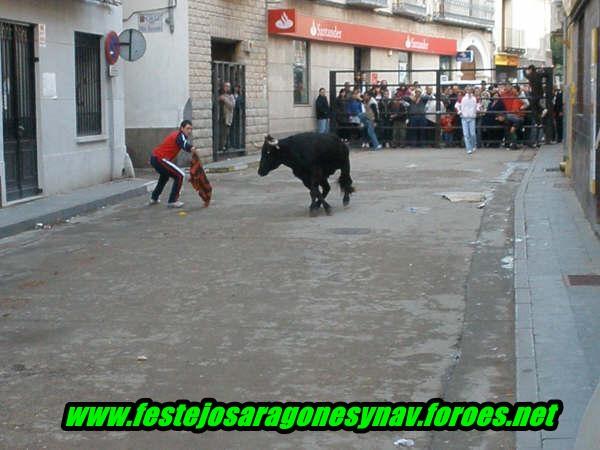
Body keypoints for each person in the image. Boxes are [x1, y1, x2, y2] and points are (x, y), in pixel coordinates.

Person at [149, 120, 196, 208]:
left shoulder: (178, 135)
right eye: (187, 128)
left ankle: (154, 198)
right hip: (160, 158)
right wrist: (191, 148)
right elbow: (183, 144)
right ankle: (173, 201)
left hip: (155, 158)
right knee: (180, 175)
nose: (189, 131)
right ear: (182, 128)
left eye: (191, 129)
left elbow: (183, 143)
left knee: (164, 177)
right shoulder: (180, 135)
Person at [455, 86, 480, 154]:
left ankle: (473, 145)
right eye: (467, 89)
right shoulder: (462, 98)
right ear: (466, 90)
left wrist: (477, 109)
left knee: (472, 134)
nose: (469, 91)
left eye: (470, 89)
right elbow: (456, 105)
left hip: (472, 117)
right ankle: (468, 148)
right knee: (466, 134)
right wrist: (460, 112)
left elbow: (478, 105)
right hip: (464, 118)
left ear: (472, 90)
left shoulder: (475, 98)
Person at [218, 82, 235, 152]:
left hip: (227, 117)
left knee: (225, 133)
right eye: (225, 86)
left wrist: (225, 100)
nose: (227, 88)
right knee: (219, 132)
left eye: (228, 86)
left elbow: (232, 106)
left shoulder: (231, 96)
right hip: (219, 116)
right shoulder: (219, 94)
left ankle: (224, 146)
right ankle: (219, 146)